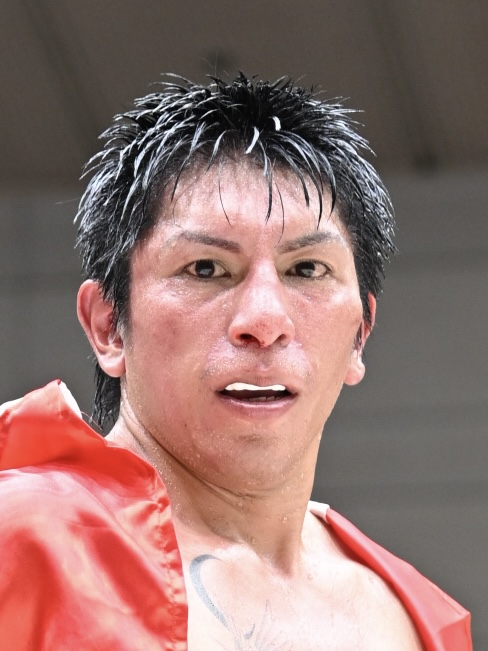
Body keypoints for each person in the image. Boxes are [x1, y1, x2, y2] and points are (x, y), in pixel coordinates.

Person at [0, 74, 471, 650]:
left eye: (307, 269)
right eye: (205, 268)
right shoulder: (21, 541)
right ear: (108, 326)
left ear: (360, 335)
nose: (264, 320)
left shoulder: (416, 615)